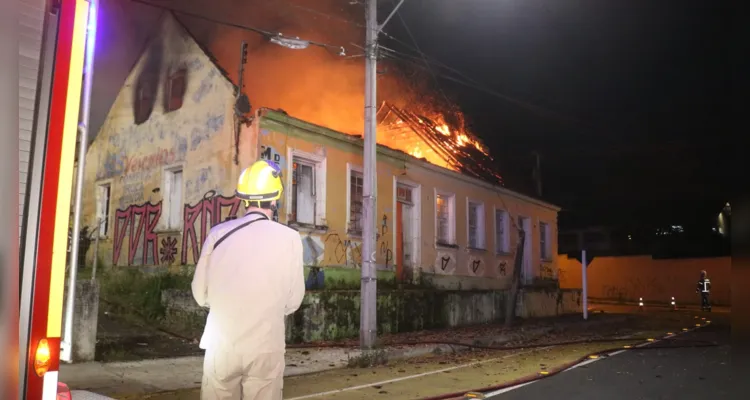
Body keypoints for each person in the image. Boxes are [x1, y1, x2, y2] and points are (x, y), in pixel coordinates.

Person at [191, 160, 306, 400]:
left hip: (222, 346)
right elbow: (293, 301)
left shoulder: (217, 234)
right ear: (275, 200)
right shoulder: (291, 238)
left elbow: (200, 294)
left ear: (244, 199)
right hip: (265, 346)